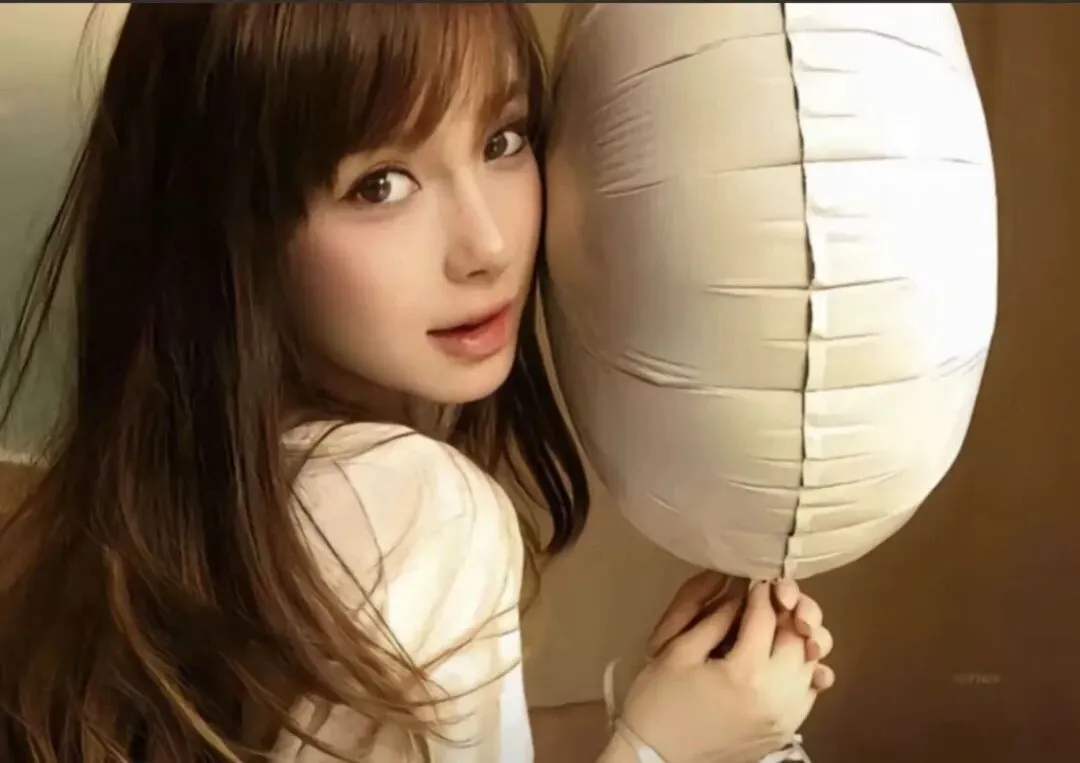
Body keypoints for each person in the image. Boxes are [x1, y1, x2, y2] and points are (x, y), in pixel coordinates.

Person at [0, 5, 835, 763]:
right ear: (231, 227)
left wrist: (650, 712)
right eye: (380, 185)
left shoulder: (160, 508)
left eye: (502, 140)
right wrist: (664, 748)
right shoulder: (415, 510)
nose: (488, 245)